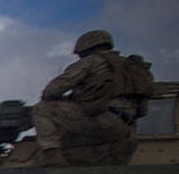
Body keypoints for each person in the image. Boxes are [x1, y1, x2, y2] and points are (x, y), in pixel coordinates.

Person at [32, 30, 155, 166]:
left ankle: (53, 158)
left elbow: (53, 89)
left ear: (85, 47)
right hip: (125, 129)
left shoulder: (92, 61)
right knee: (68, 143)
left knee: (42, 109)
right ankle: (113, 157)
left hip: (101, 120)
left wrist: (65, 100)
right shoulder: (130, 68)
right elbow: (143, 111)